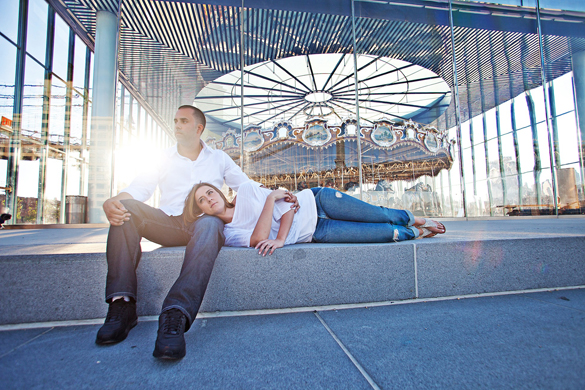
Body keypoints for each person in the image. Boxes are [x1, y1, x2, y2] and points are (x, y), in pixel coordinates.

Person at [96, 105, 297, 360]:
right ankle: (122, 305)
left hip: (204, 223)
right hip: (168, 222)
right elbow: (140, 188)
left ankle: (175, 315)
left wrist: (281, 196)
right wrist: (113, 200)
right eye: (175, 121)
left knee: (211, 224)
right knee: (124, 209)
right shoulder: (163, 157)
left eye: (183, 121)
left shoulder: (219, 158)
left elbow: (245, 185)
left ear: (198, 128)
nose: (176, 125)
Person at [183, 181, 446, 256]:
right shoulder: (228, 234)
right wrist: (270, 200)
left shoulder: (247, 191)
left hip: (317, 201)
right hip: (316, 232)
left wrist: (281, 238)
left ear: (218, 191)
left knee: (378, 214)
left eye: (209, 192)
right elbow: (260, 239)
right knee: (384, 234)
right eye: (202, 201)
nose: (209, 199)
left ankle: (416, 220)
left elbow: (287, 205)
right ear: (201, 211)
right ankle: (417, 233)